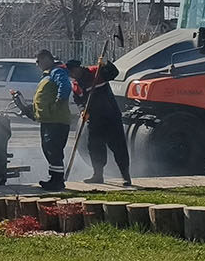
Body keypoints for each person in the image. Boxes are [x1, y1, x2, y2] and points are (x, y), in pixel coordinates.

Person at [29, 49, 73, 191]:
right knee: (49, 149)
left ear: (46, 59)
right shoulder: (48, 74)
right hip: (49, 120)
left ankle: (57, 181)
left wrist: (59, 101)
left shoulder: (57, 72)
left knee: (53, 150)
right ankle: (53, 178)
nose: (37, 64)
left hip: (56, 120)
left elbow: (65, 86)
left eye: (38, 61)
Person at [83, 59, 132, 186]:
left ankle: (125, 176)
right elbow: (78, 100)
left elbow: (113, 72)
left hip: (111, 117)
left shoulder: (96, 73)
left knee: (118, 147)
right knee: (95, 147)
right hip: (94, 120)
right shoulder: (77, 84)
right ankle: (98, 175)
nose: (73, 75)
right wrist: (83, 111)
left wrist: (105, 64)